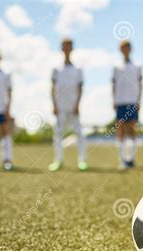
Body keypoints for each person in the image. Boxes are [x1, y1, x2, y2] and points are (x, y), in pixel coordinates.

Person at [48, 38, 87, 172]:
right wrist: (54, 105)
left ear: (71, 48)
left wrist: (77, 105)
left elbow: (80, 88)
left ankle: (82, 160)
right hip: (60, 108)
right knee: (58, 134)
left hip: (73, 108)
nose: (66, 49)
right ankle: (58, 160)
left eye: (68, 46)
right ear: (61, 48)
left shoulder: (78, 69)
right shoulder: (56, 69)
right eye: (64, 46)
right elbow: (52, 88)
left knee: (79, 134)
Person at [112, 40, 142, 170]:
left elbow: (140, 84)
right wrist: (114, 100)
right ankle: (122, 159)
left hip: (132, 101)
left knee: (132, 130)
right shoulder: (116, 66)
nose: (125, 50)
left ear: (130, 49)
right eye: (122, 48)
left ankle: (131, 158)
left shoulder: (137, 65)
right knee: (121, 131)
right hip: (120, 102)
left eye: (126, 47)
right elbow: (113, 84)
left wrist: (138, 100)